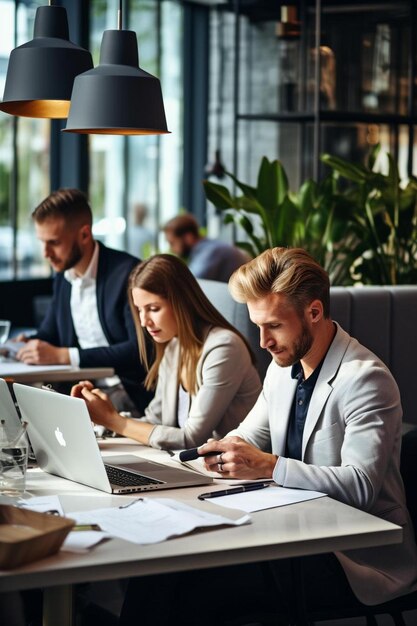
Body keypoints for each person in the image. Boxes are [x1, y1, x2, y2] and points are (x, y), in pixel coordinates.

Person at [118, 247, 417, 626]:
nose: (263, 341)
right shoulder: (283, 367)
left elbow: (361, 486)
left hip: (353, 557)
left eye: (273, 325)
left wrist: (270, 465)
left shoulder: (364, 379)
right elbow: (244, 437)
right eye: (258, 325)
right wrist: (221, 451)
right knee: (160, 571)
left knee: (196, 591)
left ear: (314, 312)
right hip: (294, 532)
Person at [71, 253, 261, 450]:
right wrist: (103, 416)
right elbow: (155, 420)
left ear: (182, 302)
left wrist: (113, 420)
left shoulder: (224, 348)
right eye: (139, 310)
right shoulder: (173, 346)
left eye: (153, 308)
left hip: (234, 472)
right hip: (192, 466)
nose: (144, 322)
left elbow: (191, 438)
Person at [15, 188, 153, 415]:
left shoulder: (128, 273)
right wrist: (26, 344)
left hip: (128, 393)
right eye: (42, 242)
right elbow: (51, 333)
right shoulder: (64, 276)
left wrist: (65, 356)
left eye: (54, 242)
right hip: (79, 389)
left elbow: (139, 350)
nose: (46, 253)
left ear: (85, 235)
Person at [162, 213, 249, 282]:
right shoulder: (208, 249)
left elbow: (191, 283)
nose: (172, 249)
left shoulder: (212, 252)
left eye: (172, 243)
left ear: (188, 237)